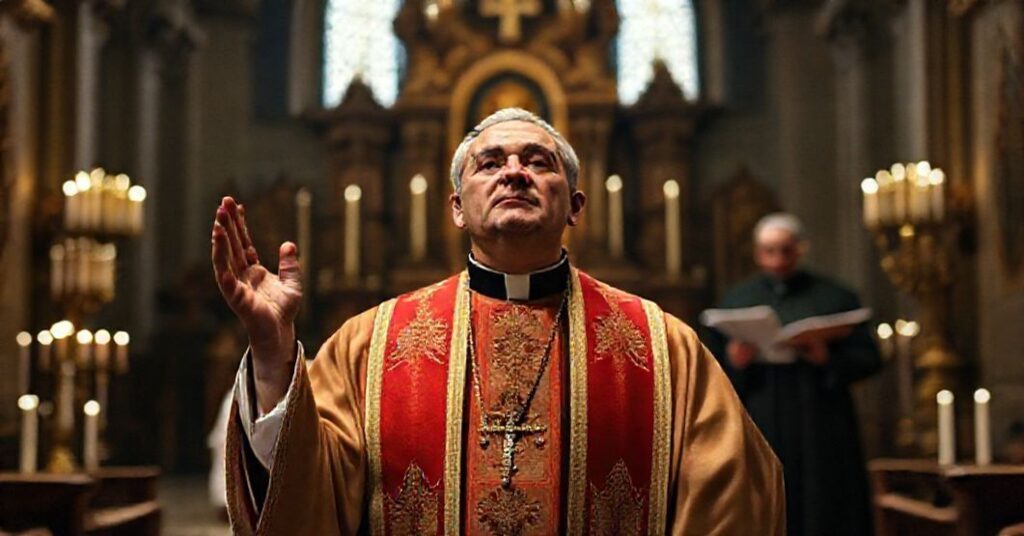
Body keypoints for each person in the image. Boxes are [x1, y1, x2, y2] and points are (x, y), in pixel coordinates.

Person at [211, 108, 785, 535]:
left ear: (576, 207)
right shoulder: (371, 344)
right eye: (491, 164)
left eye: (539, 162)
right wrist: (272, 351)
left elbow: (734, 497)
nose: (515, 173)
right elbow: (311, 489)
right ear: (458, 206)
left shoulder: (663, 349)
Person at [705, 213, 882, 536]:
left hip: (820, 414)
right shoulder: (737, 299)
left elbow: (869, 358)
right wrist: (735, 361)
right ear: (758, 253)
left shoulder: (835, 295)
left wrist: (827, 358)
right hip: (762, 409)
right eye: (769, 251)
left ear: (800, 250)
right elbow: (712, 370)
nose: (778, 260)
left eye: (786, 250)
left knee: (824, 500)